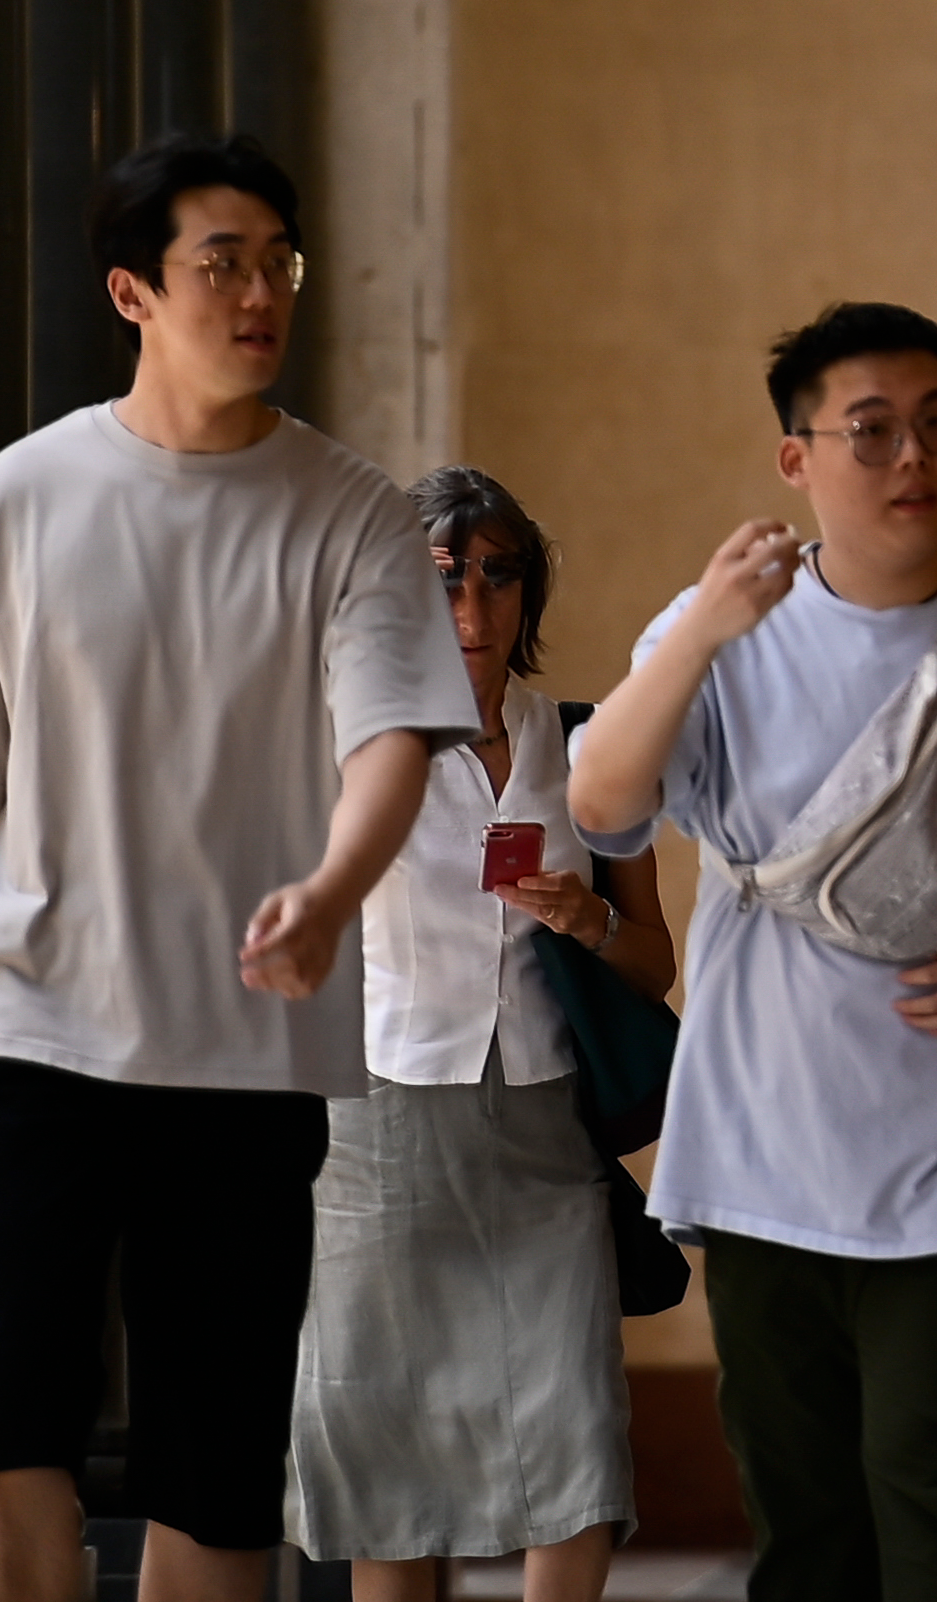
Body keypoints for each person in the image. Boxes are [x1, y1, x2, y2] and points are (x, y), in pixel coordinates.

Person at [0, 135, 470, 1602]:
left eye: (278, 264)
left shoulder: (357, 513)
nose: (260, 294)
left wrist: (327, 893)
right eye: (221, 265)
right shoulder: (19, 498)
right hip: (31, 1033)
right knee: (4, 1424)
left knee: (218, 1453)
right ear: (134, 292)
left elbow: (392, 745)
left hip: (250, 1054)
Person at [566, 304, 937, 1602]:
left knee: (935, 1489)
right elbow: (602, 802)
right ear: (799, 460)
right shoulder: (723, 626)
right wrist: (703, 631)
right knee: (807, 1517)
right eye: (874, 431)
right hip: (767, 1138)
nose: (914, 459)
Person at [291, 466, 677, 1602]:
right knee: (392, 1455)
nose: (472, 610)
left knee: (578, 1437)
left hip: (544, 1126)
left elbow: (653, 960)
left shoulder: (587, 743)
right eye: (443, 578)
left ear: (529, 592)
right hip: (378, 1120)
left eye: (498, 576)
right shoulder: (342, 742)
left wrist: (587, 916)